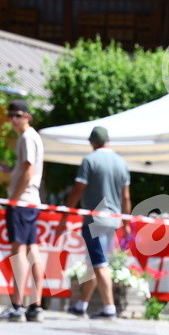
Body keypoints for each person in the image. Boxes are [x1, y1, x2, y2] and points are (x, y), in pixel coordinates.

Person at [64, 126, 132, 319]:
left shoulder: (90, 160)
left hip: (95, 219)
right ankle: (81, 304)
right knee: (93, 262)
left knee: (99, 263)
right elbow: (126, 197)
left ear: (92, 142)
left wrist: (66, 213)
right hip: (113, 220)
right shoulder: (121, 163)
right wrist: (126, 222)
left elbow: (78, 189)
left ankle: (109, 308)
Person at [0, 100, 47, 322]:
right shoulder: (32, 137)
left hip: (23, 201)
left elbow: (28, 171)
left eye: (18, 115)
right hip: (31, 201)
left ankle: (17, 305)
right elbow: (25, 170)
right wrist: (10, 172)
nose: (13, 120)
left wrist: (13, 199)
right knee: (32, 251)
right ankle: (35, 305)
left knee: (19, 252)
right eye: (11, 116)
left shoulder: (26, 138)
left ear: (27, 117)